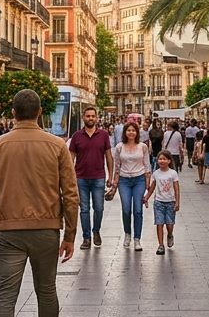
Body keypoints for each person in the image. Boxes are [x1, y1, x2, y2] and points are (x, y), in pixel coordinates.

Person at [0, 89, 77, 317]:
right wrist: (70, 234)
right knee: (46, 292)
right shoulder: (56, 145)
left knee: (5, 297)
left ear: (12, 113)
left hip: (8, 230)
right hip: (46, 229)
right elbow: (70, 194)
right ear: (39, 113)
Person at [68, 106, 113, 249]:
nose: (90, 118)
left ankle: (96, 231)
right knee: (84, 209)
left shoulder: (103, 135)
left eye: (93, 116)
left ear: (96, 118)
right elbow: (71, 158)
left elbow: (108, 156)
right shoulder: (76, 136)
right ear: (83, 117)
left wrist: (110, 176)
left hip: (98, 177)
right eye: (88, 116)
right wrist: (70, 177)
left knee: (99, 208)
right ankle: (86, 238)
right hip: (81, 178)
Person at [111, 122, 151, 250]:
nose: (131, 132)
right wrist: (114, 183)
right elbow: (117, 166)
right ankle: (127, 233)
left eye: (133, 130)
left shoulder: (142, 147)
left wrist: (148, 184)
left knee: (138, 210)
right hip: (124, 180)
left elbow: (147, 165)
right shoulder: (119, 147)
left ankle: (137, 239)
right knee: (126, 209)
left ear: (137, 132)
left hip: (139, 179)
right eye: (129, 130)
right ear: (125, 132)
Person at [144, 151, 180, 254]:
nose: (162, 161)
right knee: (159, 223)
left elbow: (176, 188)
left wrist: (177, 202)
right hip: (159, 202)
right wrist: (147, 197)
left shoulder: (173, 173)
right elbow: (152, 187)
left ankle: (170, 235)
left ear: (169, 161)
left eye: (164, 159)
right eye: (160, 159)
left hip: (170, 202)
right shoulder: (156, 173)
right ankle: (160, 245)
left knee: (169, 224)